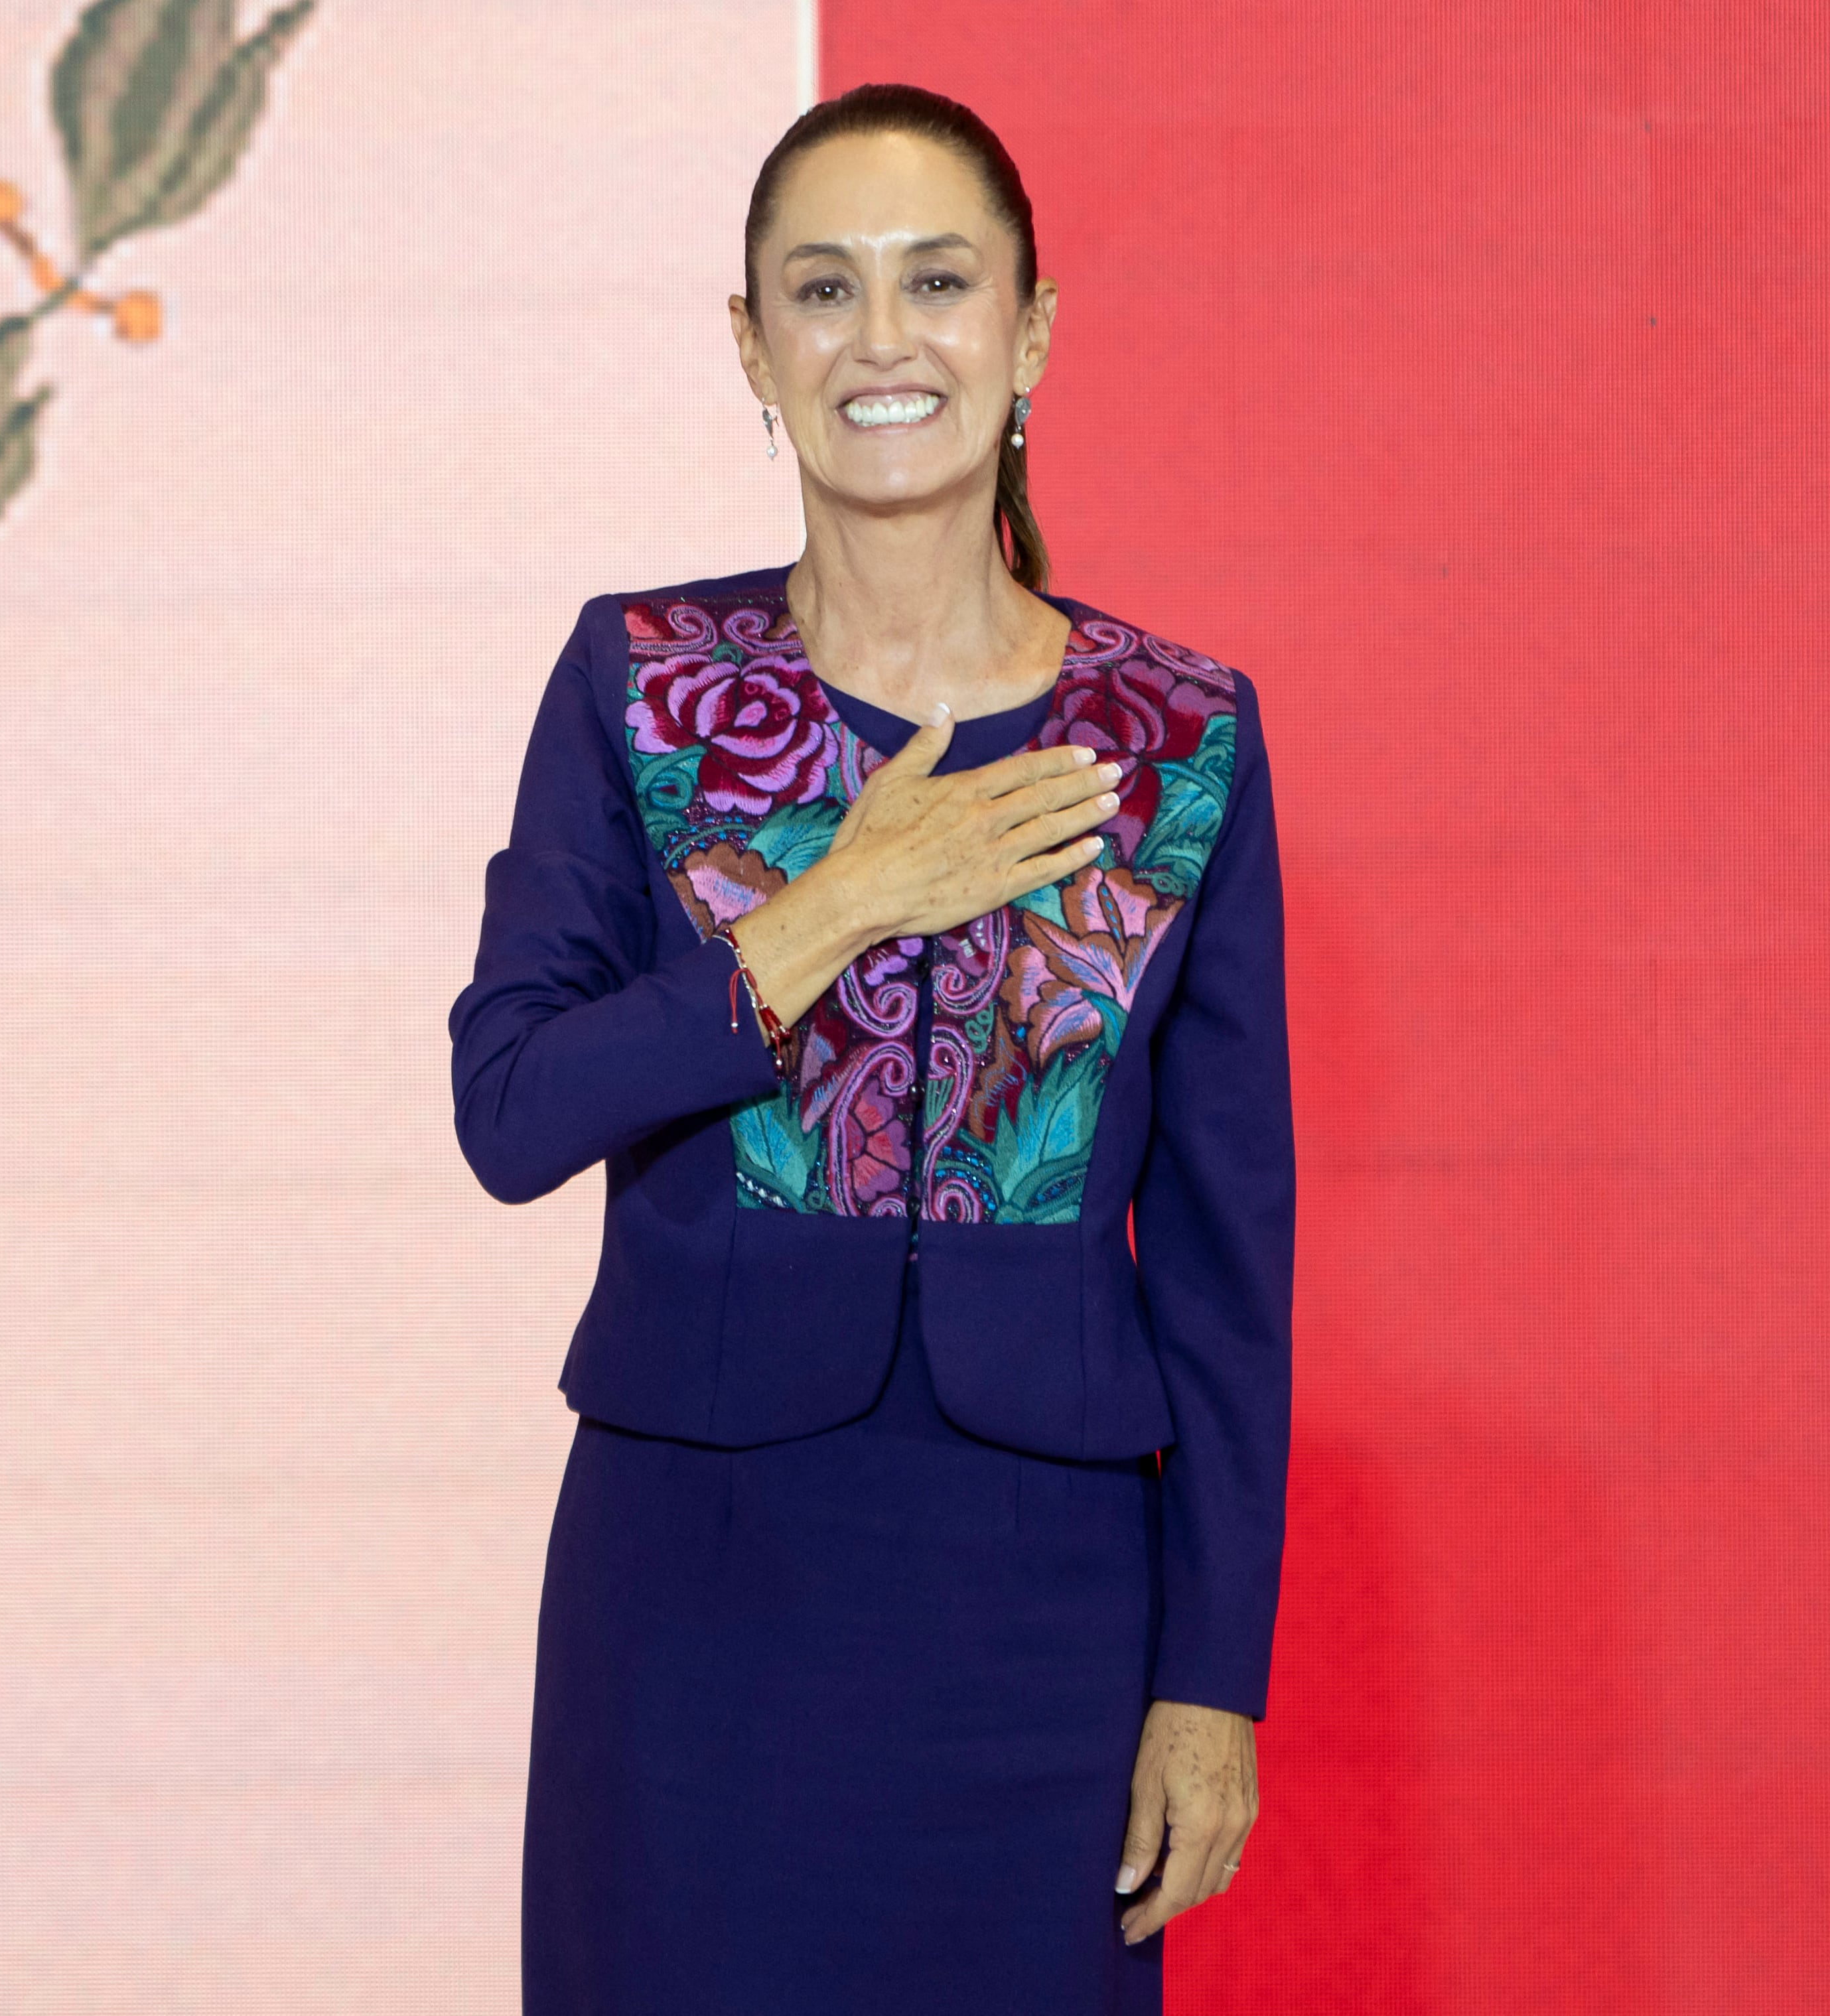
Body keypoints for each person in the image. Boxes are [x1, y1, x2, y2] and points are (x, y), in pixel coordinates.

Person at [449, 80, 1295, 2015]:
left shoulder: (1181, 736)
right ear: (755, 351)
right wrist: (833, 904)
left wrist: (1211, 1679)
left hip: (1048, 1622)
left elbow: (1230, 1266)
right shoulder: (641, 684)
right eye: (823, 290)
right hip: (696, 1601)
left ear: (1032, 332)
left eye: (940, 281)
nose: (883, 338)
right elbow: (511, 1111)